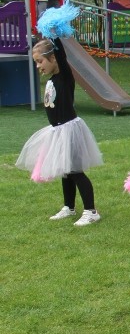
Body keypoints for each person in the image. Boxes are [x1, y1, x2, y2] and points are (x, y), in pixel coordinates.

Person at [16, 39, 103, 226]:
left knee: (76, 171)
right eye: (36, 63)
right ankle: (69, 207)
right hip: (57, 131)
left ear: (53, 58)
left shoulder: (64, 75)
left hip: (70, 129)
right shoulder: (52, 80)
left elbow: (62, 55)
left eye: (40, 61)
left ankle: (91, 211)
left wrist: (54, 35)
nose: (38, 66)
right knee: (66, 171)